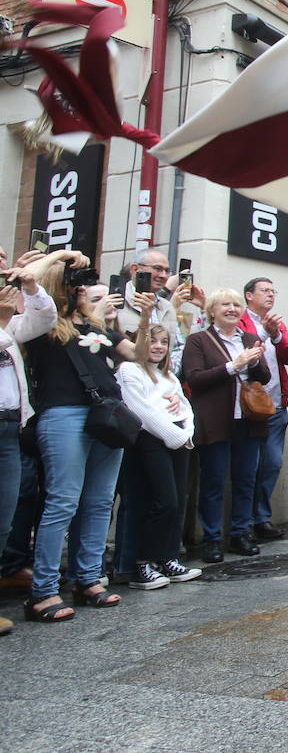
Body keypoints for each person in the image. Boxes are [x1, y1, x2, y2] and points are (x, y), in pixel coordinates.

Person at [23, 258, 150, 621]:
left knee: (98, 503)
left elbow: (139, 356)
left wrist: (143, 317)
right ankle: (44, 590)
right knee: (62, 502)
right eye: (74, 283)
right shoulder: (43, 322)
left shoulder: (95, 325)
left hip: (105, 417)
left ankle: (88, 578)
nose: (81, 288)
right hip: (63, 415)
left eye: (82, 283)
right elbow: (34, 285)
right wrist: (61, 262)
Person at [182, 288, 271, 561]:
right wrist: (235, 365)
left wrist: (254, 360)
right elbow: (194, 378)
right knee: (213, 481)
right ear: (211, 310)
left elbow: (264, 377)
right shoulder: (198, 340)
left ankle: (240, 533)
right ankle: (211, 538)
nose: (232, 309)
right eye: (225, 305)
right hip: (215, 420)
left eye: (235, 305)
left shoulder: (250, 338)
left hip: (248, 420)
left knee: (245, 480)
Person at [116, 322, 202, 589]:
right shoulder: (129, 370)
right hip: (151, 441)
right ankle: (143, 563)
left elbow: (186, 408)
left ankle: (167, 558)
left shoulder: (169, 377)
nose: (158, 347)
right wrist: (176, 435)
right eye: (152, 341)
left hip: (178, 441)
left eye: (163, 342)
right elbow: (144, 411)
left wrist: (186, 432)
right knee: (162, 501)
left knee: (178, 501)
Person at [0, 250, 57, 632]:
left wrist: (32, 286)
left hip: (8, 427)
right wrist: (5, 316)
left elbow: (42, 319)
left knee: (3, 517)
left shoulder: (8, 317)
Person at [238, 277, 288, 542]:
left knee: (272, 463)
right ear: (249, 295)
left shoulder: (275, 323)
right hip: (250, 406)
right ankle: (244, 522)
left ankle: (261, 517)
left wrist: (276, 334)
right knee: (249, 466)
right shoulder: (240, 321)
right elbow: (244, 354)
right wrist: (263, 333)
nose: (271, 295)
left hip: (276, 405)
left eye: (273, 290)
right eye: (265, 290)